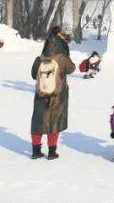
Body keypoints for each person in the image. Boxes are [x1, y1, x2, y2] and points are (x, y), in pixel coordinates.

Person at [30, 26, 76, 159]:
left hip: (41, 93)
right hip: (58, 94)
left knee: (38, 122)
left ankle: (35, 151)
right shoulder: (61, 57)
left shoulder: (40, 58)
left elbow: (34, 75)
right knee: (54, 122)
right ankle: (51, 152)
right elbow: (72, 69)